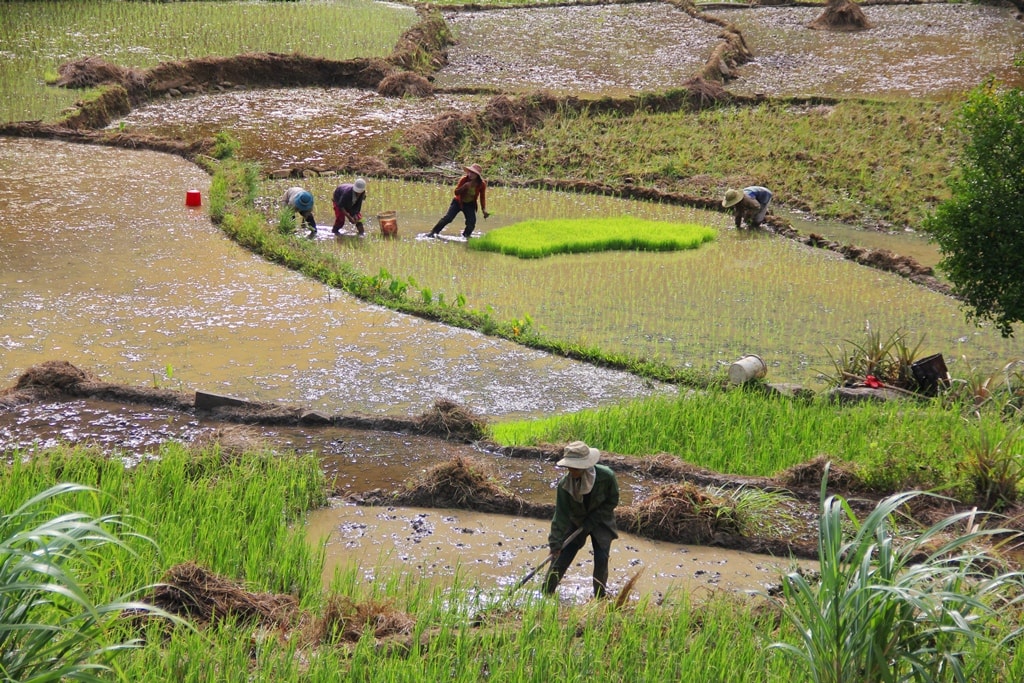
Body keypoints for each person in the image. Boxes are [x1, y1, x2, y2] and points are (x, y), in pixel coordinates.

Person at [543, 441, 620, 599]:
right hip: (576, 521)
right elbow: (561, 515)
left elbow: (612, 501)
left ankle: (599, 597)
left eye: (575, 468)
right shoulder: (565, 485)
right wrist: (555, 542)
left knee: (601, 559)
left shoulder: (606, 477)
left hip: (601, 522)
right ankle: (545, 593)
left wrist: (594, 519)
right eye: (569, 468)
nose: (572, 471)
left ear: (586, 465)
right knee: (561, 557)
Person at [428, 163, 489, 238]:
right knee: (448, 218)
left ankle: (466, 236)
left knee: (471, 223)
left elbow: (482, 197)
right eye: (470, 172)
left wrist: (484, 210)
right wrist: (464, 186)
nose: (470, 174)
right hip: (458, 202)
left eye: (473, 173)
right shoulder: (464, 179)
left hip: (470, 204)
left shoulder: (481, 184)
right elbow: (456, 192)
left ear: (477, 175)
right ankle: (433, 232)